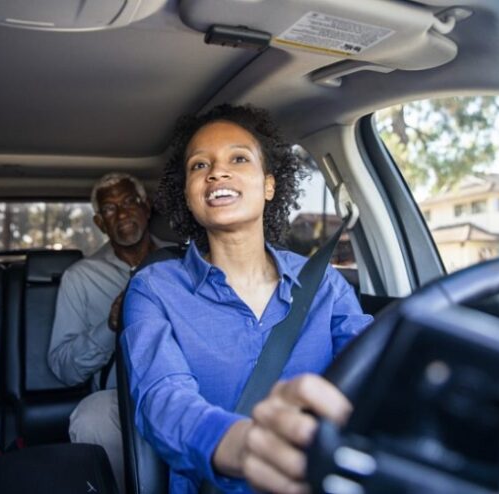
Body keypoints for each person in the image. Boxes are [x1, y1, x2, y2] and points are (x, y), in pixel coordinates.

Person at [120, 104, 373, 494]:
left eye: (238, 158)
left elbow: (374, 364)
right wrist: (238, 443)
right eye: (199, 166)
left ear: (269, 184)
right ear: (187, 195)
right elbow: (161, 397)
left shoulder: (323, 284)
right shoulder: (154, 288)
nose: (217, 172)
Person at [48, 172, 155, 493]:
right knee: (91, 416)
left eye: (128, 202)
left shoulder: (183, 260)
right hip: (121, 395)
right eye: (109, 209)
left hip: (189, 383)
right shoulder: (80, 278)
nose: (121, 214)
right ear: (99, 222)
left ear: (146, 208)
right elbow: (63, 368)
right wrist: (110, 326)